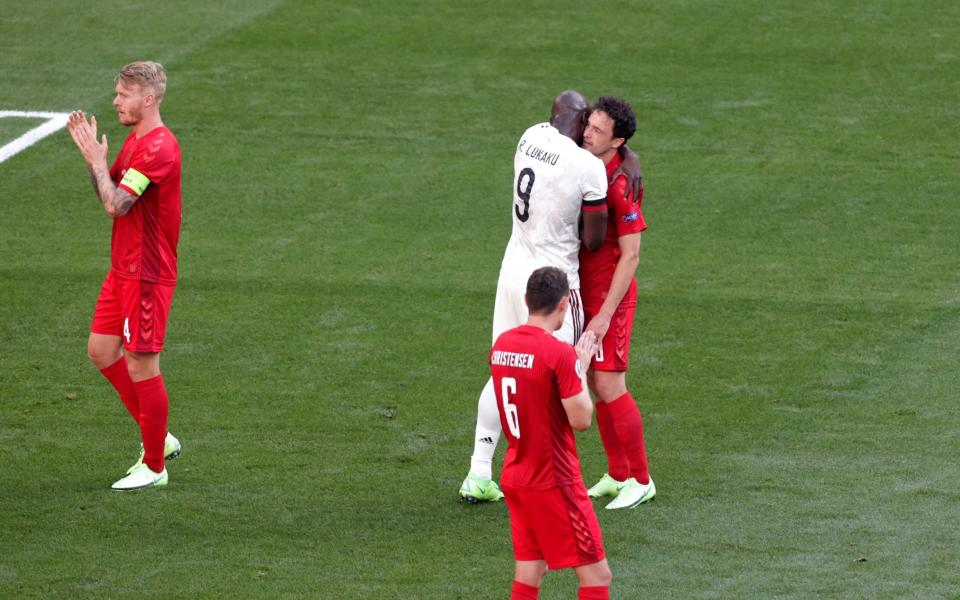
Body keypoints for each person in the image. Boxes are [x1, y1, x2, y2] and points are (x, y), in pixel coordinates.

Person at [459, 91, 609, 502]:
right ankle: (551, 477)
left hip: (512, 273)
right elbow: (595, 239)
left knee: (503, 369)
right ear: (580, 121)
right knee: (565, 376)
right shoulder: (587, 166)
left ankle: (478, 472)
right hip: (554, 281)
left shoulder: (530, 136)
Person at [67, 61, 183, 491]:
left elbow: (116, 205)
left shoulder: (158, 148)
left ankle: (155, 466)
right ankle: (161, 437)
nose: (115, 100)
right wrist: (93, 161)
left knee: (141, 362)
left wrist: (97, 160)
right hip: (123, 269)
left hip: (147, 276)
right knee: (101, 350)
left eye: (123, 94)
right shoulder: (136, 140)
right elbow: (108, 187)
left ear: (147, 99)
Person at [492, 267, 612, 600]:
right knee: (597, 575)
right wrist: (578, 366)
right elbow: (581, 419)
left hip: (517, 475)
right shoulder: (558, 354)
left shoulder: (502, 345)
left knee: (530, 571)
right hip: (554, 480)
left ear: (527, 301)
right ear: (563, 305)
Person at [579, 96, 654, 509]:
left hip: (611, 297)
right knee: (595, 382)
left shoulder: (623, 183)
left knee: (610, 383)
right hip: (586, 290)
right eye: (588, 125)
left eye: (597, 130)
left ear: (618, 140)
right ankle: (618, 472)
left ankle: (641, 479)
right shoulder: (590, 157)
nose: (586, 133)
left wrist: (607, 315)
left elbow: (632, 255)